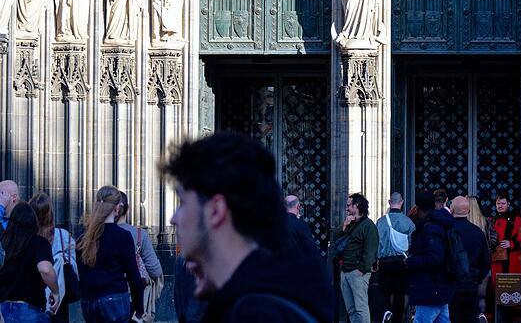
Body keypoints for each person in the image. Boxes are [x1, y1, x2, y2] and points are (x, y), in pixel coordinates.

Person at [163, 132, 334, 322]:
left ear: (216, 211)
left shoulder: (254, 314)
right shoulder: (276, 298)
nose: (173, 219)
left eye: (183, 203)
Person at [77, 185, 146, 322]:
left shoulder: (82, 236)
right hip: (115, 299)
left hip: (89, 302)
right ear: (117, 208)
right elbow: (134, 277)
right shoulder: (123, 236)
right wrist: (139, 310)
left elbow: (81, 272)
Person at [0, 202, 60, 322]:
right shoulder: (39, 243)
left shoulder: (4, 245)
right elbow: (45, 269)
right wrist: (55, 292)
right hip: (30, 309)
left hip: (4, 308)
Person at [405, 191, 455, 323]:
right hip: (440, 285)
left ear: (418, 207)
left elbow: (435, 258)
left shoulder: (429, 228)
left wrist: (411, 261)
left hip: (429, 288)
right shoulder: (441, 224)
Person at [29, 192, 78, 323]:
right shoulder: (63, 236)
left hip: (32, 297)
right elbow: (76, 266)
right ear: (51, 214)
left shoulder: (25, 238)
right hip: (58, 296)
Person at [116, 191, 164, 321]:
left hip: (103, 299)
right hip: (133, 300)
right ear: (127, 209)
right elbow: (155, 271)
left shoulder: (96, 234)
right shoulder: (139, 235)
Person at [331, 192, 378, 323]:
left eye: (348, 205)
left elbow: (370, 250)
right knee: (351, 309)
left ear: (356, 206)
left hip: (357, 272)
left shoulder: (368, 226)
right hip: (345, 271)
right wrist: (344, 225)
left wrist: (361, 269)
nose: (346, 208)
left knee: (360, 307)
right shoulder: (350, 223)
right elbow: (335, 236)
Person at [449, 196, 490, 323]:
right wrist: (477, 277)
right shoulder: (478, 232)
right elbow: (486, 261)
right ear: (468, 211)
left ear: (452, 210)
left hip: (451, 285)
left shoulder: (447, 231)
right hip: (471, 284)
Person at [376, 192, 416, 323]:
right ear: (402, 202)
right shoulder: (408, 222)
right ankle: (397, 319)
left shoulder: (381, 222)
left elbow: (377, 243)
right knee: (400, 293)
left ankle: (385, 314)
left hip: (384, 262)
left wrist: (376, 260)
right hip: (401, 262)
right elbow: (412, 244)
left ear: (389, 202)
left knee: (384, 292)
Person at [490, 193, 521, 282]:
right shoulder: (492, 220)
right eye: (498, 203)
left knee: (511, 286)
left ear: (508, 204)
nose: (500, 206)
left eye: (503, 203)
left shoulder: (517, 220)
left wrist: (511, 243)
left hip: (511, 259)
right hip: (496, 261)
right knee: (497, 286)